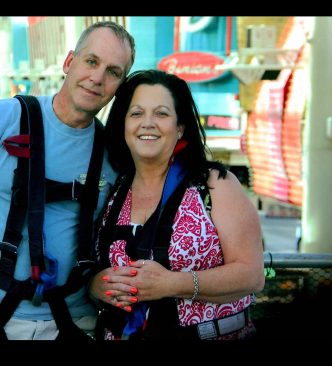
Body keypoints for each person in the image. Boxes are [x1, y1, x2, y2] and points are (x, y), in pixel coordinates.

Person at [0, 21, 136, 340]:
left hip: (75, 321)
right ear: (69, 63)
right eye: (91, 61)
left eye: (113, 72)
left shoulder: (116, 153)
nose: (97, 78)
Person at [88, 70, 265, 340]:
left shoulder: (215, 185)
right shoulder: (114, 193)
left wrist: (172, 284)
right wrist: (96, 287)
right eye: (136, 113)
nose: (147, 123)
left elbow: (252, 276)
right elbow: (98, 271)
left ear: (180, 127)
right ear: (122, 125)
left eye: (161, 113)